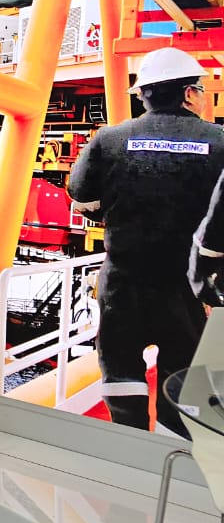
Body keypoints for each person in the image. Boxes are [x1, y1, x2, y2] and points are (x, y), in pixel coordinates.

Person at [70, 47, 224, 438]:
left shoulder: (109, 140)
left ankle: (128, 447)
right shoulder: (220, 142)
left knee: (120, 373)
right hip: (186, 289)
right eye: (201, 90)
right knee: (181, 378)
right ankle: (170, 452)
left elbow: (82, 197)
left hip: (123, 284)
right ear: (188, 93)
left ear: (144, 95)